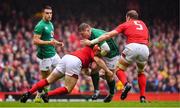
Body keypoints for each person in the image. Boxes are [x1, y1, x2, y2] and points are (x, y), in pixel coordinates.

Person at [81, 10, 150, 103]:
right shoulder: (143, 24)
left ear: (128, 17)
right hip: (145, 48)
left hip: (129, 48)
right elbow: (148, 38)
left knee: (118, 69)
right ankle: (142, 98)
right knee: (141, 72)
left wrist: (92, 42)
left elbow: (108, 35)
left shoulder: (126, 24)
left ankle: (126, 84)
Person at [20, 46, 114, 103]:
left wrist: (97, 74)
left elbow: (86, 72)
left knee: (48, 80)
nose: (99, 54)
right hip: (75, 62)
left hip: (66, 57)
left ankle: (27, 93)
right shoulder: (93, 53)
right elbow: (96, 62)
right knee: (68, 88)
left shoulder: (85, 50)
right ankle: (47, 95)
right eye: (99, 52)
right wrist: (107, 71)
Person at [78, 23, 120, 102]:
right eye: (81, 35)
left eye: (83, 34)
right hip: (102, 53)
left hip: (112, 55)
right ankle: (96, 91)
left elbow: (107, 49)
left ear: (88, 30)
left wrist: (98, 54)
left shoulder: (96, 34)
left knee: (109, 77)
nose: (82, 37)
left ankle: (111, 93)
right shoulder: (88, 37)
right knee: (94, 68)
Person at [33, 5, 64, 102]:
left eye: (50, 13)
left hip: (53, 54)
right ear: (43, 14)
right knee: (44, 78)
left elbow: (50, 39)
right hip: (45, 56)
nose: (49, 15)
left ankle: (45, 90)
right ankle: (39, 95)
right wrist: (48, 43)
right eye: (47, 13)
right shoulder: (40, 26)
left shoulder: (51, 24)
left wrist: (57, 43)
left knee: (63, 70)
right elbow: (35, 41)